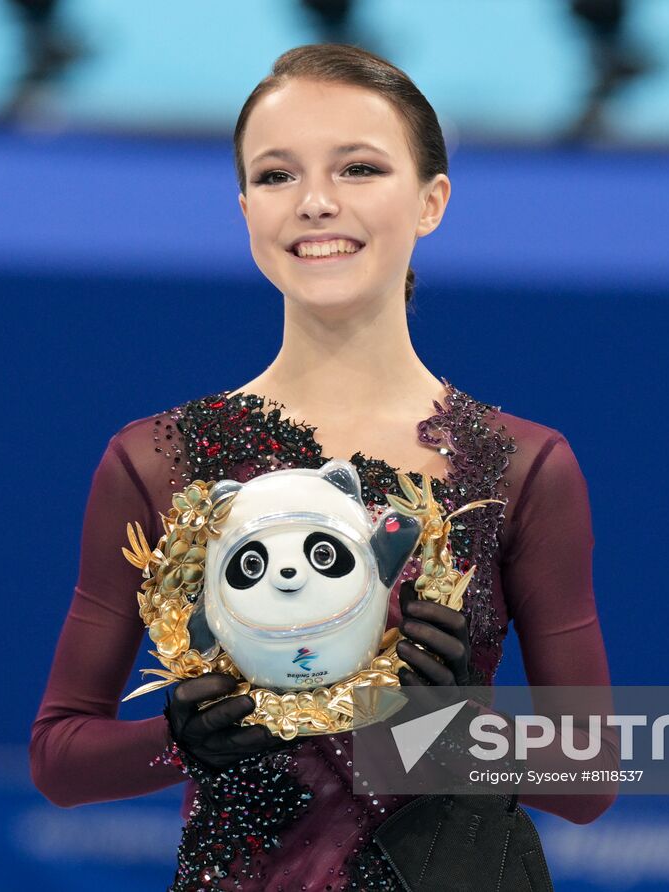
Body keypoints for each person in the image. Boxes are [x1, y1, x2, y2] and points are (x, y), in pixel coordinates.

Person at [30, 44, 619, 890]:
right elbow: (59, 756)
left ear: (431, 201)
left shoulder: (520, 467)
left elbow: (590, 774)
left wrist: (440, 733)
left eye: (358, 168)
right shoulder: (157, 462)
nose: (314, 202)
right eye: (276, 176)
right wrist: (180, 743)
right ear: (243, 209)